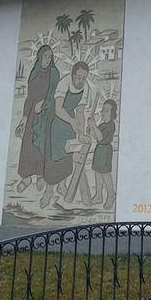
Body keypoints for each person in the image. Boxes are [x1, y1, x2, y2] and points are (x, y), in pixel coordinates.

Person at [40, 61, 95, 208]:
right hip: (57, 121)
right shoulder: (64, 83)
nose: (81, 81)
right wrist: (72, 121)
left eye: (84, 78)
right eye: (78, 77)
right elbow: (58, 109)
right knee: (54, 159)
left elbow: (80, 113)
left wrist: (80, 133)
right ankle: (48, 191)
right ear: (72, 75)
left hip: (70, 123)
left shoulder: (85, 88)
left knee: (66, 157)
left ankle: (61, 186)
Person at [14, 45, 60, 193]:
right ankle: (26, 177)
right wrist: (24, 117)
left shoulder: (54, 73)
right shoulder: (34, 72)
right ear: (40, 57)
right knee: (28, 143)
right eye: (45, 56)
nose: (48, 59)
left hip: (47, 114)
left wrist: (44, 104)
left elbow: (55, 95)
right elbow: (29, 97)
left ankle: (41, 175)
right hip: (33, 114)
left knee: (42, 144)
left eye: (50, 57)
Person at [89, 99, 117, 210]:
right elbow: (95, 135)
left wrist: (93, 126)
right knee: (97, 172)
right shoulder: (102, 124)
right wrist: (91, 127)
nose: (103, 112)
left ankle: (111, 195)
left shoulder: (110, 125)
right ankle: (98, 195)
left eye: (107, 110)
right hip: (99, 150)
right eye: (103, 110)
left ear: (112, 113)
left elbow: (100, 137)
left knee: (105, 174)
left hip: (105, 151)